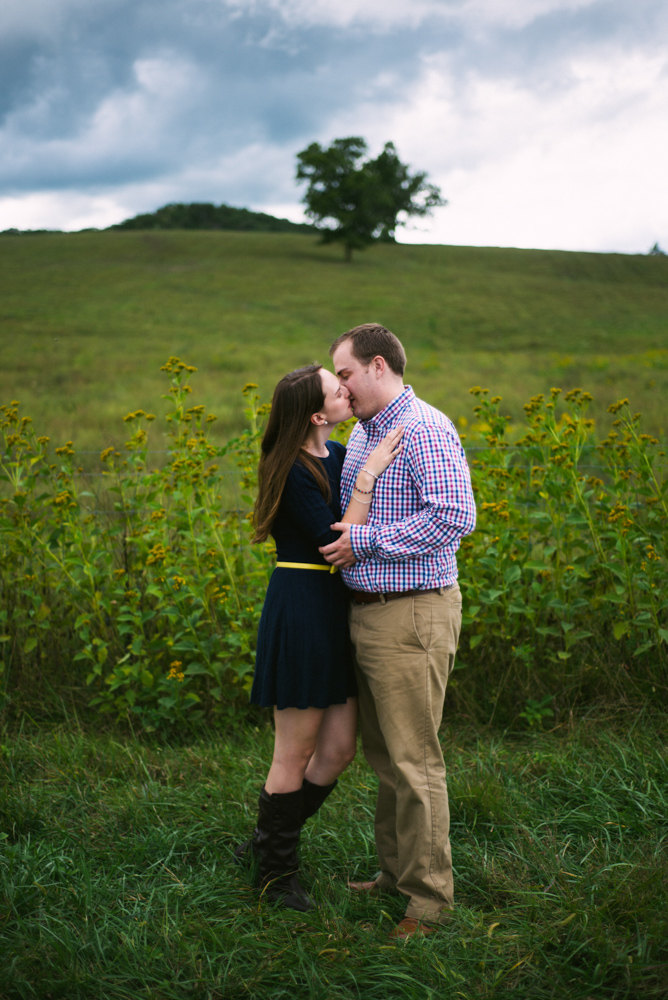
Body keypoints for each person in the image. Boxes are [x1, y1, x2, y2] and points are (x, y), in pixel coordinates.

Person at [319, 324, 476, 940]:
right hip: (367, 609)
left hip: (414, 610)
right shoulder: (363, 433)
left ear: (378, 366)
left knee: (415, 761)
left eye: (347, 374)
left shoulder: (426, 428)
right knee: (385, 757)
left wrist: (365, 541)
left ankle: (430, 903)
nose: (341, 387)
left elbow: (454, 517)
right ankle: (396, 875)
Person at [235, 362, 404, 913]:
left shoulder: (336, 452)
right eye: (338, 389)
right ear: (316, 413)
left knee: (335, 751)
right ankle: (276, 877)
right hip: (303, 604)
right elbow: (336, 542)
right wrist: (368, 475)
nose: (347, 390)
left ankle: (264, 843)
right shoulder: (288, 467)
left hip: (335, 610)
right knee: (295, 751)